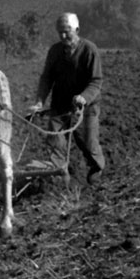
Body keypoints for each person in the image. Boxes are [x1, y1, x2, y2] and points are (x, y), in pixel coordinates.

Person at [29, 12, 105, 186]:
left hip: (86, 108)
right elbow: (47, 78)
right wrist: (40, 101)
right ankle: (61, 178)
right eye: (60, 32)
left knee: (89, 143)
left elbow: (96, 80)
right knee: (55, 140)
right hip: (60, 105)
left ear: (77, 29)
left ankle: (96, 171)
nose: (63, 36)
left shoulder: (89, 50)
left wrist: (84, 97)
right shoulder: (55, 51)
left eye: (67, 31)